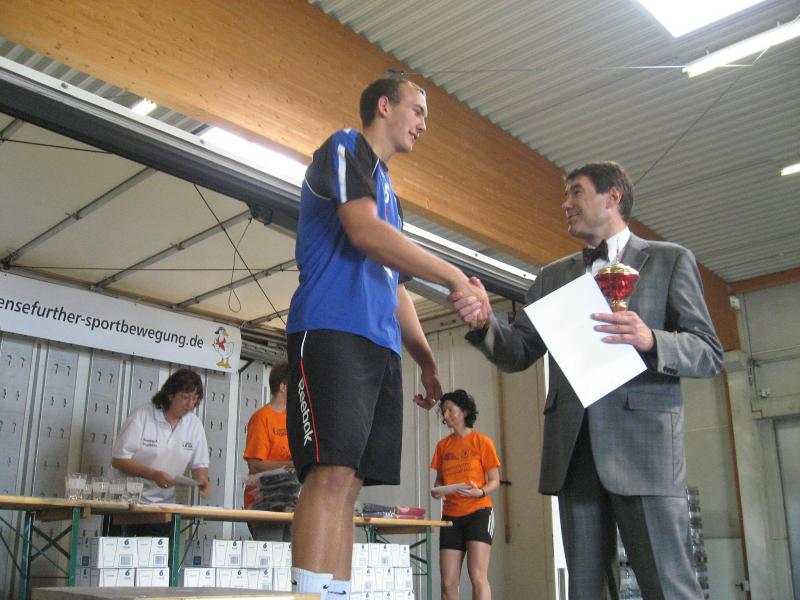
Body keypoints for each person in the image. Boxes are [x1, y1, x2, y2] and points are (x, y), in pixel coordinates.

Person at [453, 161, 724, 599]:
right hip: (574, 452)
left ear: (613, 196)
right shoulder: (552, 277)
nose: (565, 203)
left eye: (575, 192)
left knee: (669, 586)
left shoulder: (669, 261)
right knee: (586, 590)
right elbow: (518, 352)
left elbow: (709, 352)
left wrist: (651, 339)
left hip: (646, 450)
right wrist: (486, 323)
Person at [284, 76, 487, 599]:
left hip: (381, 348)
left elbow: (395, 288)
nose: (423, 124)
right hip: (330, 331)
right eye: (417, 110)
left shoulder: (392, 197)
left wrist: (427, 361)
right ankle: (308, 594)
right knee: (329, 475)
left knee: (349, 485)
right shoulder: (345, 147)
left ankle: (335, 593)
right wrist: (455, 277)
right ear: (383, 106)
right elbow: (364, 232)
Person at [110, 368, 211, 536]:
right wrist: (154, 475)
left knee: (159, 552)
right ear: (170, 395)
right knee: (122, 551)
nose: (190, 404)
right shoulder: (142, 416)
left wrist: (202, 480)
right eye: (185, 397)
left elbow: (200, 464)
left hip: (164, 505)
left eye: (195, 399)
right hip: (127, 503)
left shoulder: (194, 425)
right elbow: (119, 460)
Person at [431, 390, 500, 600]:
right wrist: (438, 491)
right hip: (451, 516)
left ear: (465, 411)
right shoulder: (442, 446)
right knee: (448, 582)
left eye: (450, 410)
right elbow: (439, 481)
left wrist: (480, 492)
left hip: (479, 512)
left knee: (477, 576)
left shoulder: (482, 441)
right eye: (443, 412)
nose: (445, 415)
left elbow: (494, 481)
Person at [242, 361, 296, 541]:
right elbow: (255, 464)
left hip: (290, 500)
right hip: (265, 502)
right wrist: (288, 465)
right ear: (283, 387)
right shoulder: (262, 418)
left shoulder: (294, 419)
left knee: (290, 554)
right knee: (271, 552)